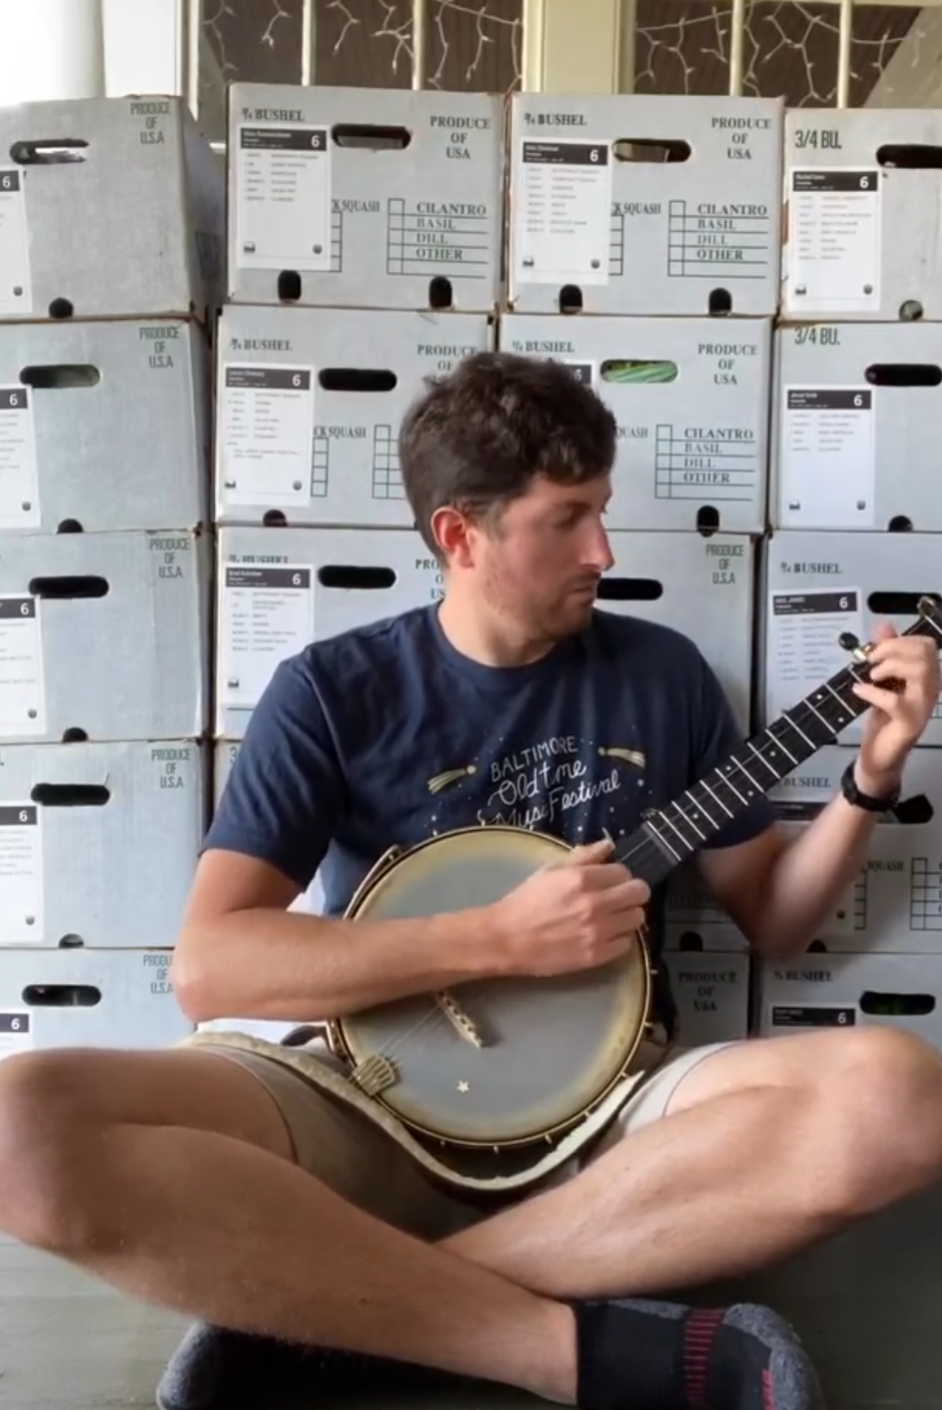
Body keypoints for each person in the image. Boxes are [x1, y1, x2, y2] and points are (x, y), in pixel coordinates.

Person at [0, 353, 940, 1410]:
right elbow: (213, 967)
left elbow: (774, 918)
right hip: (371, 1100)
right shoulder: (332, 692)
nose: (605, 550)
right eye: (568, 519)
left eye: (603, 512)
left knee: (898, 1099)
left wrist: (872, 774)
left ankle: (356, 1314)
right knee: (20, 1126)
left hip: (614, 1123)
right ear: (461, 534)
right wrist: (496, 942)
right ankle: (548, 1345)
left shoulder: (663, 675)